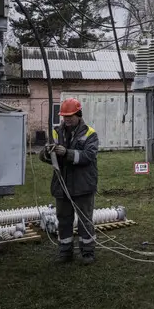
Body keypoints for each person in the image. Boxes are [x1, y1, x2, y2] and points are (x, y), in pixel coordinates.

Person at [39, 97, 100, 263]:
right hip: (62, 185)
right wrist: (47, 153)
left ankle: (87, 252)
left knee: (84, 220)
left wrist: (67, 153)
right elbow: (44, 157)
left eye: (70, 116)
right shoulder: (55, 133)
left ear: (79, 114)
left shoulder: (90, 134)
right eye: (64, 116)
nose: (67, 119)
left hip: (83, 185)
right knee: (64, 220)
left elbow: (88, 156)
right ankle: (65, 253)